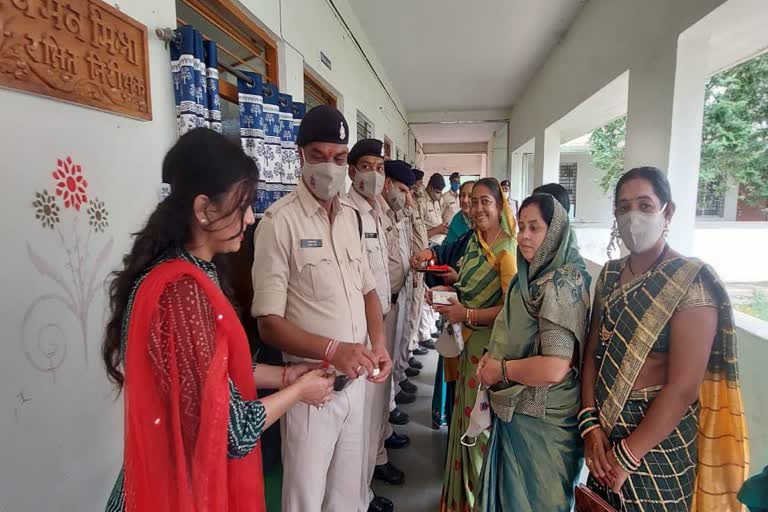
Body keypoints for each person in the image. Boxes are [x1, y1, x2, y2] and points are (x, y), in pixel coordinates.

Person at [103, 129, 334, 512]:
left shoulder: (191, 272)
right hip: (177, 490)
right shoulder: (182, 292)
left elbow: (212, 374)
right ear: (204, 209)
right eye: (242, 205)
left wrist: (285, 376)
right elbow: (233, 432)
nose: (250, 217)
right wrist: (299, 393)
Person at [581, 167, 749, 511]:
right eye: (624, 207)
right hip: (603, 442)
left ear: (667, 211)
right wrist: (590, 428)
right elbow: (592, 353)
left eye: (645, 205)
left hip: (656, 450)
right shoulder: (610, 275)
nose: (633, 217)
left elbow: (684, 388)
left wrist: (626, 457)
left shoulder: (690, 282)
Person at [251, 106, 393, 512]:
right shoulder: (280, 223)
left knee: (348, 497)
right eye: (318, 155)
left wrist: (378, 342)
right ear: (299, 155)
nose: (330, 167)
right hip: (312, 390)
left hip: (358, 382)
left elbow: (368, 288)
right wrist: (333, 350)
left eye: (338, 158)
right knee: (305, 501)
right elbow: (269, 325)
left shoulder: (350, 216)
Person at [474, 193, 590, 511]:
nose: (524, 236)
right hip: (515, 411)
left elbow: (555, 367)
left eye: (534, 228)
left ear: (554, 232)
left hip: (545, 423)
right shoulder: (529, 279)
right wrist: (491, 359)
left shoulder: (562, 284)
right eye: (521, 226)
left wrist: (501, 370)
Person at [413, 178, 517, 512]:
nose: (478, 209)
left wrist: (467, 311)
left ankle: (476, 503)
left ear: (499, 205)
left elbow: (510, 309)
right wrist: (449, 290)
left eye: (486, 202)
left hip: (488, 350)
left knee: (477, 431)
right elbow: (466, 280)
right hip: (466, 344)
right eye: (473, 203)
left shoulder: (506, 251)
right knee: (462, 420)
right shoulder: (475, 241)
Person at [347, 139, 403, 512]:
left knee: (378, 406)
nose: (375, 174)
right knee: (362, 418)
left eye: (379, 167)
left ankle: (374, 467)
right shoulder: (348, 212)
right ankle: (361, 493)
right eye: (367, 166)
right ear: (351, 171)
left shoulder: (376, 211)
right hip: (364, 331)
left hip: (383, 318)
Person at [430, 180, 475, 428]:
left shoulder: (500, 242)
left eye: (478, 199)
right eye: (465, 197)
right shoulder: (460, 224)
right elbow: (447, 252)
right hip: (455, 308)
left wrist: (459, 282)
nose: (469, 203)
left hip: (477, 322)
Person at [379, 161, 419, 409]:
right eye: (403, 190)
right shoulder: (375, 215)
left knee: (394, 352)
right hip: (383, 303)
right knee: (384, 359)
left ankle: (390, 401)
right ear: (388, 184)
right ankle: (388, 410)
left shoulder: (396, 213)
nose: (407, 197)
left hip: (399, 293)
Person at [445, 180, 475, 245]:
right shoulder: (457, 219)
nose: (465, 200)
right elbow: (447, 246)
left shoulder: (483, 218)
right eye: (463, 195)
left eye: (470, 196)